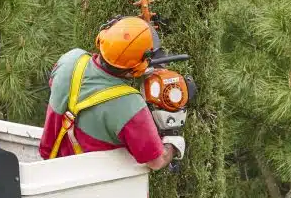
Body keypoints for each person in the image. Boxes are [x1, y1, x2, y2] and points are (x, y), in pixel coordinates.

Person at [38, 16, 185, 170]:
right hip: (89, 186)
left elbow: (58, 86)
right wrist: (172, 145)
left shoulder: (70, 60)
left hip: (51, 169)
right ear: (136, 68)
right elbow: (155, 161)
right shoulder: (130, 106)